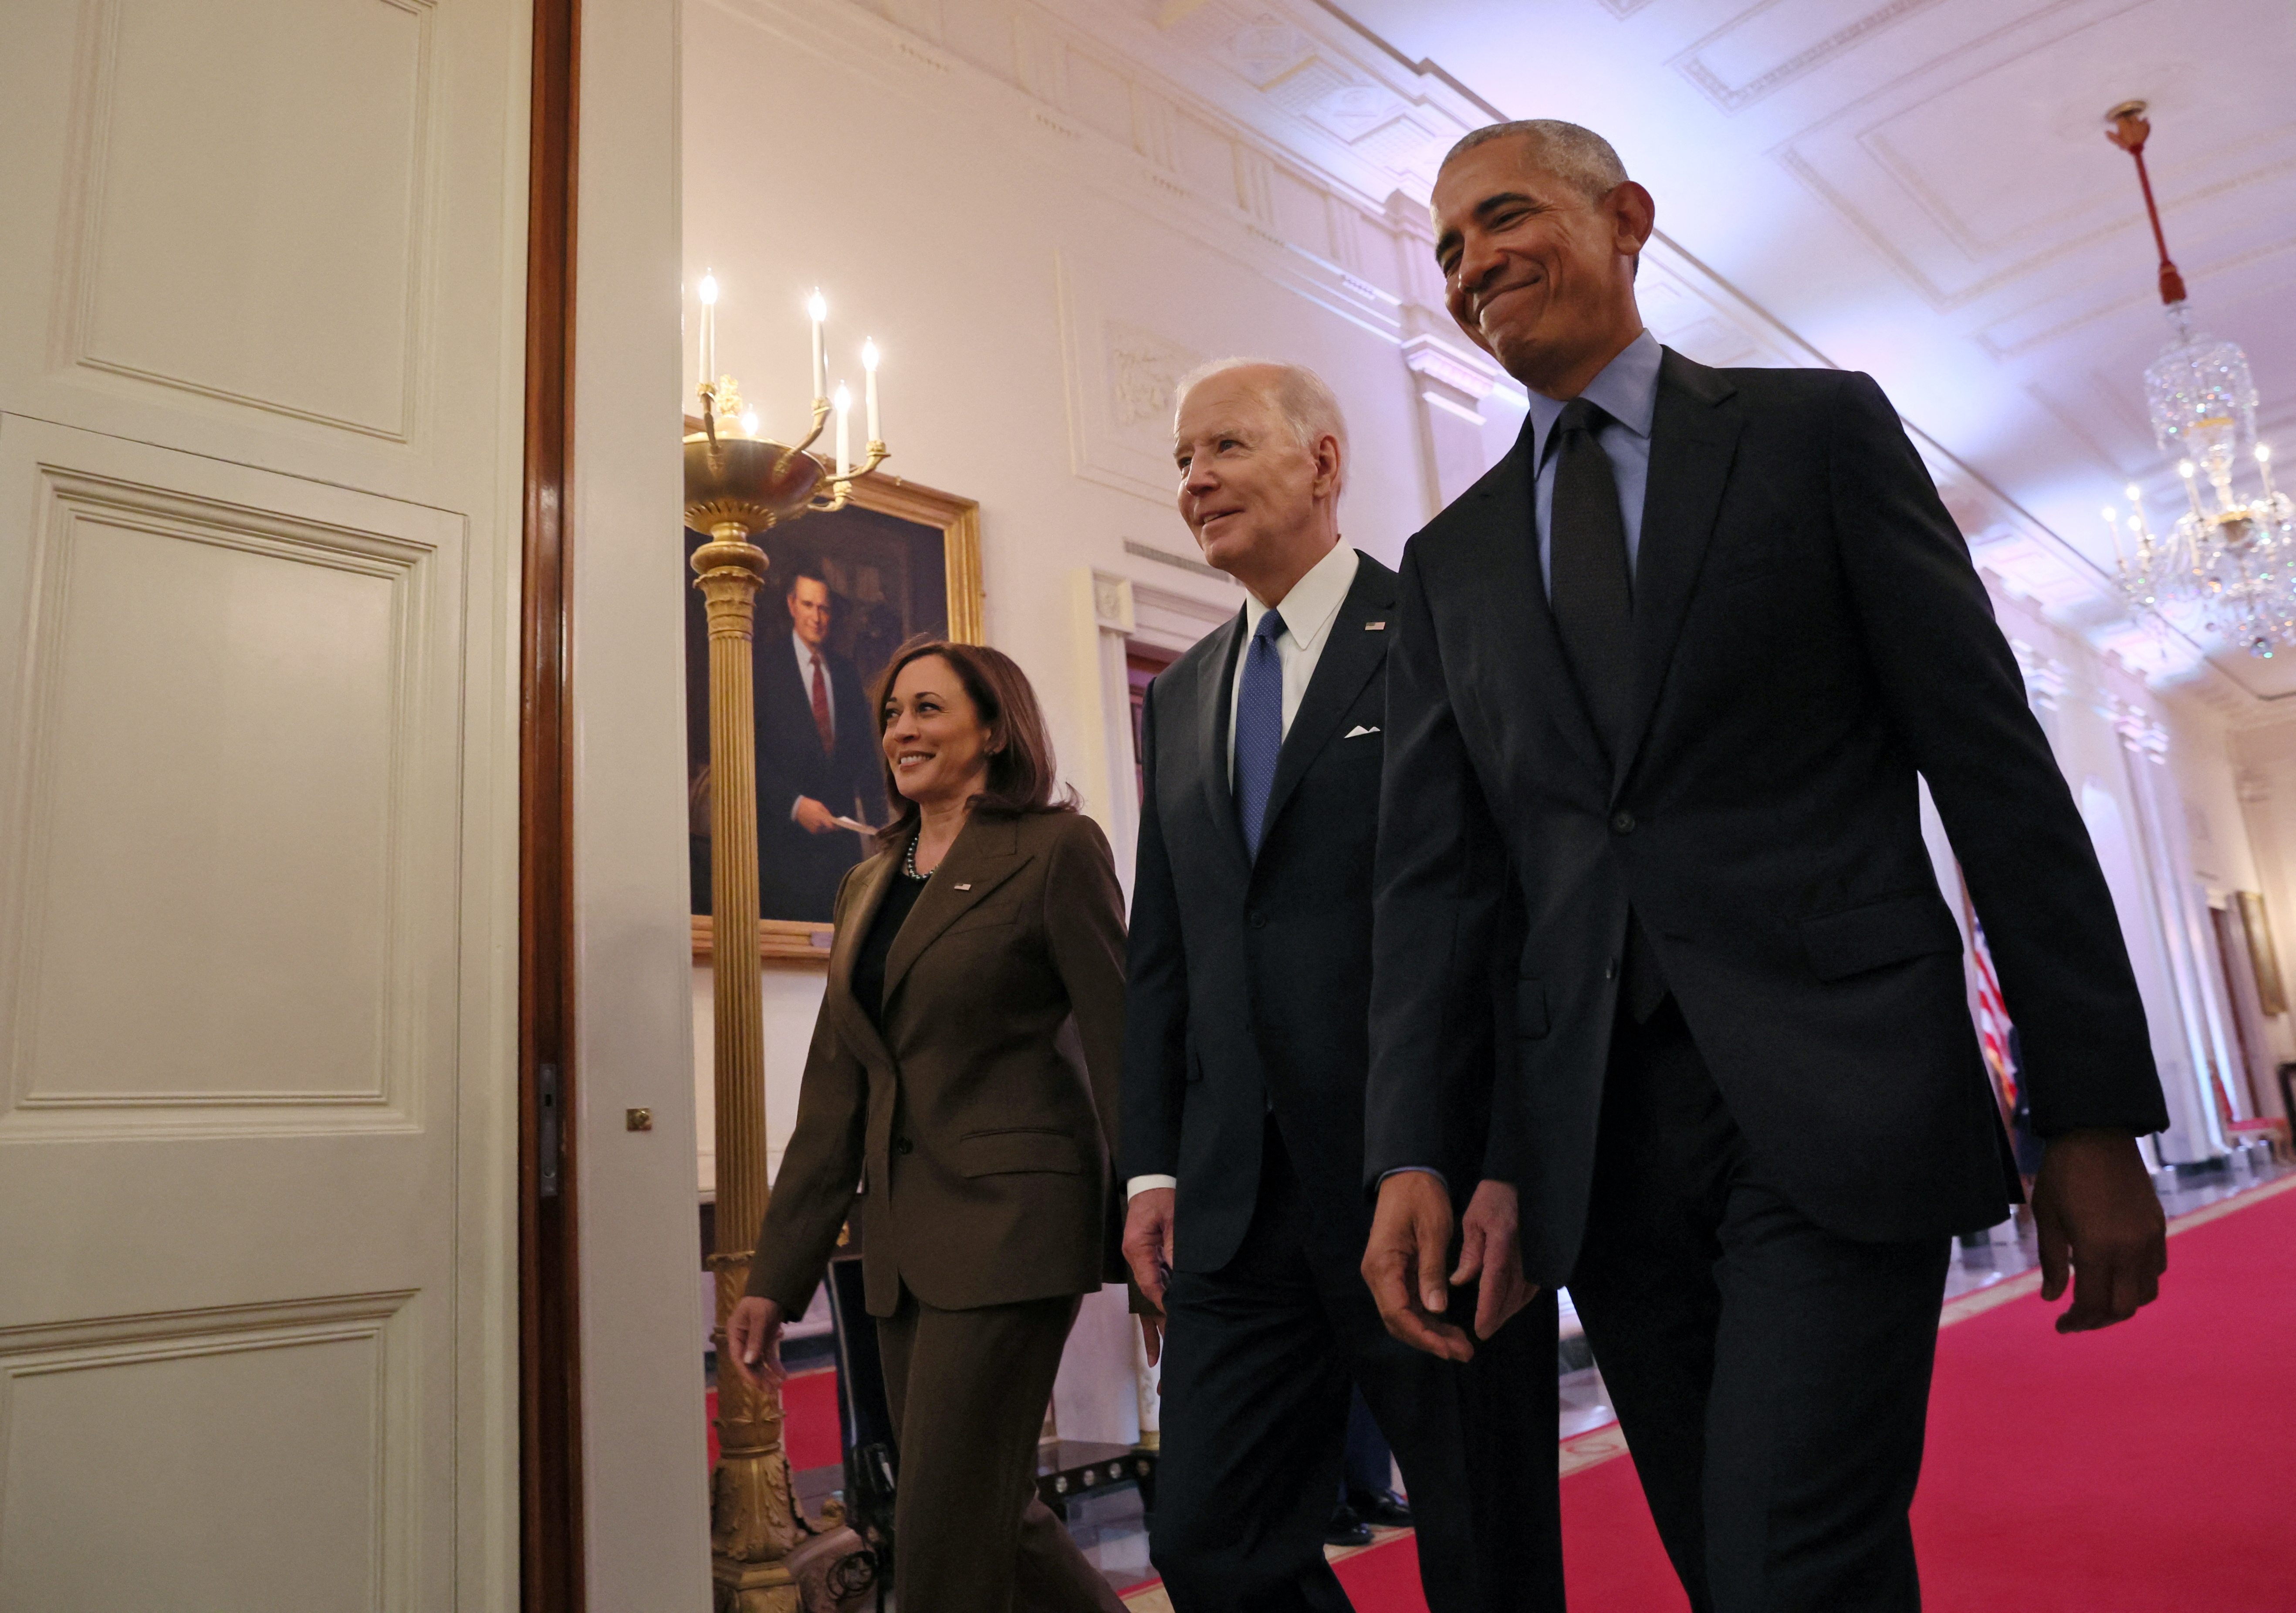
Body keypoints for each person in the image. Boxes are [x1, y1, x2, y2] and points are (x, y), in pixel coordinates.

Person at [1361, 119, 2172, 1613]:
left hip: (1840, 1089)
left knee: (1791, 1561)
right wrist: (1421, 1147)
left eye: (1503, 218)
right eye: (1448, 249)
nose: (1472, 265)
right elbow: (1440, 887)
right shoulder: (1448, 565)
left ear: (1626, 219)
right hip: (1597, 1148)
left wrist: (2094, 1112)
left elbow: (1995, 775)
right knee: (1742, 1570)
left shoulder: (1817, 435)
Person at [1123, 358, 1562, 1613]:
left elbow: (1516, 908)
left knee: (1486, 1554)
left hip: (1419, 1184)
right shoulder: (1184, 691)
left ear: (1321, 462)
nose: (1194, 479)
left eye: (1224, 447)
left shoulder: (1439, 623)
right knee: (1210, 1539)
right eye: (1180, 460)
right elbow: (1168, 945)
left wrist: (1503, 1154)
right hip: (1232, 1206)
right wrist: (1151, 1161)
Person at [726, 637, 1129, 1613]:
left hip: (1014, 1227)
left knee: (943, 1533)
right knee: (991, 1512)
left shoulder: (1053, 850)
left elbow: (1124, 1045)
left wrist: (1155, 1211)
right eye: (893, 715)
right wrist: (775, 1279)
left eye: (928, 710)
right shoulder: (867, 881)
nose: (902, 730)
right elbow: (835, 1094)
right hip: (900, 1246)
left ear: (993, 729)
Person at [755, 566, 884, 922]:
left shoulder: (843, 672)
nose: (816, 617)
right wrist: (795, 806)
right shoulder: (762, 666)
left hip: (839, 851)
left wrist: (881, 829)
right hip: (783, 845)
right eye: (809, 606)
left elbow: (863, 758)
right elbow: (746, 756)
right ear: (792, 605)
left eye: (823, 608)